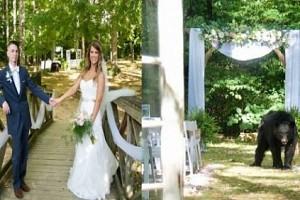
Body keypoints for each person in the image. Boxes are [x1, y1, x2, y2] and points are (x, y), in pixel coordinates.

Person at [55, 40, 118, 199]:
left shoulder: (100, 76)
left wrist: (91, 119)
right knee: (82, 147)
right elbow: (73, 89)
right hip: (81, 113)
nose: (94, 55)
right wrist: (59, 100)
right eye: (91, 52)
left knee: (94, 148)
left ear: (99, 55)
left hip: (92, 115)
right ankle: (81, 179)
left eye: (96, 52)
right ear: (88, 54)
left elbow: (98, 100)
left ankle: (94, 182)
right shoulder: (83, 73)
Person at [0, 41, 56, 198]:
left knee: (25, 151)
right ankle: (16, 184)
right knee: (17, 152)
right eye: (12, 51)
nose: (14, 54)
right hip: (13, 117)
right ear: (7, 53)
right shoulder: (2, 74)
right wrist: (2, 101)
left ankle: (22, 180)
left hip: (25, 115)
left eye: (16, 51)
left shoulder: (23, 72)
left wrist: (47, 99)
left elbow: (34, 88)